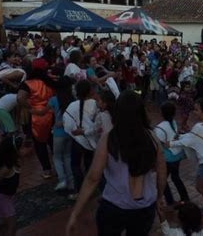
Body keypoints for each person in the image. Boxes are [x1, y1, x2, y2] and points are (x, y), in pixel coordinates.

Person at [65, 90, 167, 236]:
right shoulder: (152, 137)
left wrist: (75, 213)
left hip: (114, 206)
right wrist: (159, 196)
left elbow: (93, 177)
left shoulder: (108, 139)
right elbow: (162, 171)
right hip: (145, 206)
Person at [17, 58, 55, 179]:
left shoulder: (28, 83)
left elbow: (20, 98)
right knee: (53, 142)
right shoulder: (51, 80)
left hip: (36, 116)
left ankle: (47, 169)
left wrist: (30, 106)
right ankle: (60, 166)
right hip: (51, 113)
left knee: (40, 144)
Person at [64, 80, 99, 199]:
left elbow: (67, 123)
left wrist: (75, 131)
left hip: (77, 140)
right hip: (91, 140)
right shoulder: (95, 104)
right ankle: (91, 189)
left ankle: (79, 190)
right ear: (90, 90)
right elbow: (97, 124)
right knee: (89, 164)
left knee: (75, 165)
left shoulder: (72, 106)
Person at [154, 101, 189, 207]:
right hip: (177, 155)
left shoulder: (159, 128)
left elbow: (159, 145)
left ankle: (170, 201)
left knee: (162, 179)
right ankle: (185, 198)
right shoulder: (173, 122)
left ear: (161, 113)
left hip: (167, 158)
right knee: (175, 177)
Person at [0, 136, 22, 236]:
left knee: (5, 222)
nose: (23, 150)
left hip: (8, 197)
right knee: (12, 225)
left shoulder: (15, 163)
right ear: (13, 152)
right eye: (20, 149)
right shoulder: (5, 169)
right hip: (2, 198)